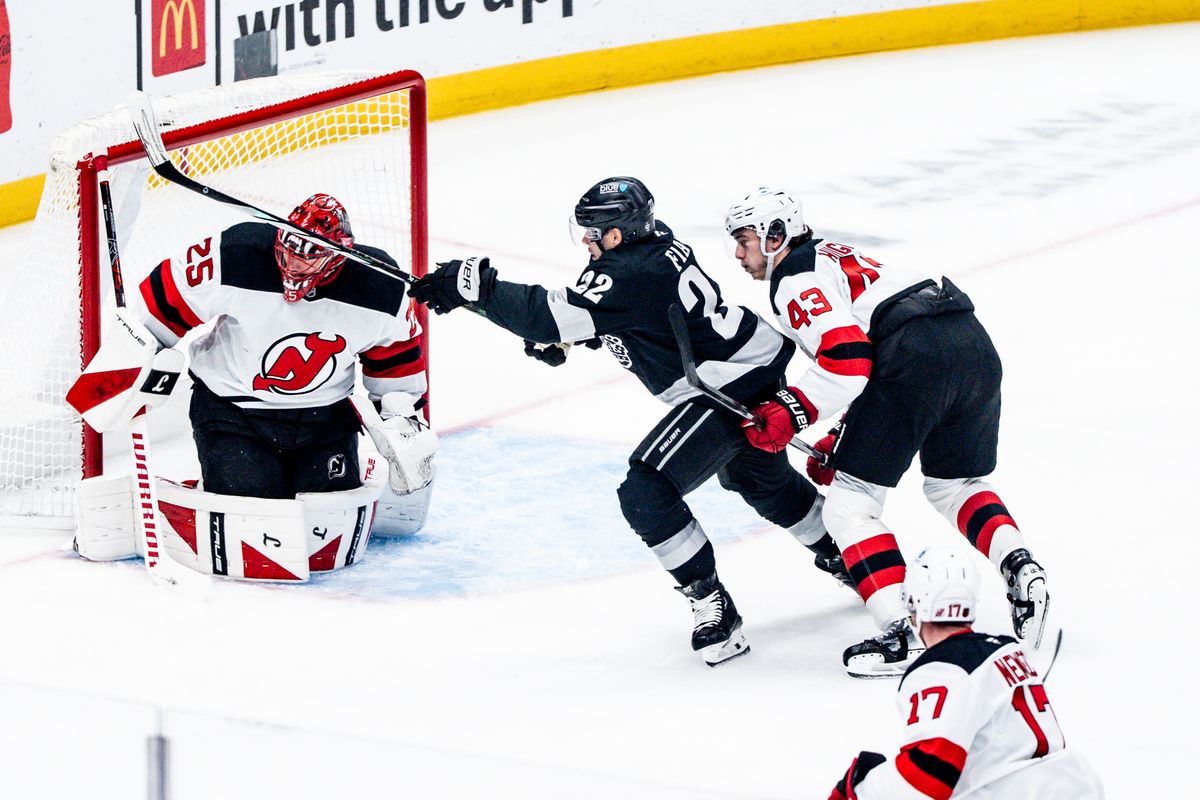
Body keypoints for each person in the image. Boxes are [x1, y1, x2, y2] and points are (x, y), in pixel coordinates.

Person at [410, 176, 849, 666]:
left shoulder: (629, 272)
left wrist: (479, 290)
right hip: (751, 363)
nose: (586, 241)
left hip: (727, 384)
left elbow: (550, 314)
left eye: (593, 232)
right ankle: (853, 557)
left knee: (646, 491)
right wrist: (581, 336)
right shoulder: (653, 247)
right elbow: (640, 316)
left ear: (617, 235)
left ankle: (714, 606)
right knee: (756, 476)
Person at [724, 186, 1050, 678]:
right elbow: (873, 355)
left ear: (775, 236)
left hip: (914, 357)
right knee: (954, 485)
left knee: (849, 504)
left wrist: (792, 410)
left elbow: (850, 359)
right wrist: (844, 434)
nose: (738, 253)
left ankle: (902, 632)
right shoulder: (834, 254)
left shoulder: (793, 277)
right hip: (969, 343)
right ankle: (1021, 568)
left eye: (745, 239)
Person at [135, 192, 433, 503]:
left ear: (338, 255)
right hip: (234, 411)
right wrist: (138, 357)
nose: (293, 266)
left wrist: (402, 423)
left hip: (325, 417)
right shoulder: (235, 254)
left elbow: (396, 368)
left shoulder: (380, 288)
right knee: (253, 509)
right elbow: (163, 303)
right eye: (289, 252)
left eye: (307, 258)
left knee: (327, 515)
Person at [827, 547, 1104, 799]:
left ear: (914, 604)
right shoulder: (1008, 652)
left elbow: (927, 777)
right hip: (1074, 783)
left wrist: (859, 788)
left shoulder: (941, 669)